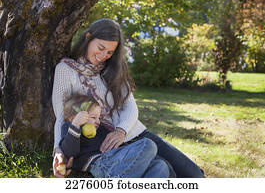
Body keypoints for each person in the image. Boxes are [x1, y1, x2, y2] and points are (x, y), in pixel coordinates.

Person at [52, 18, 204, 178]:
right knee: (165, 170)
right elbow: (61, 117)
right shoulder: (65, 70)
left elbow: (130, 107)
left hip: (133, 132)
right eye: (101, 48)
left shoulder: (113, 69)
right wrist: (58, 151)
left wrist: (121, 130)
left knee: (194, 175)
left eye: (110, 52)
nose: (104, 56)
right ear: (88, 37)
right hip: (109, 146)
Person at [57, 94, 170, 177]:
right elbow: (69, 152)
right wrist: (75, 125)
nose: (98, 121)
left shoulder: (99, 128)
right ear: (73, 117)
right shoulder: (69, 127)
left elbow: (116, 147)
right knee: (148, 144)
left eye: (99, 118)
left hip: (117, 160)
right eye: (93, 117)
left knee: (160, 165)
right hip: (101, 165)